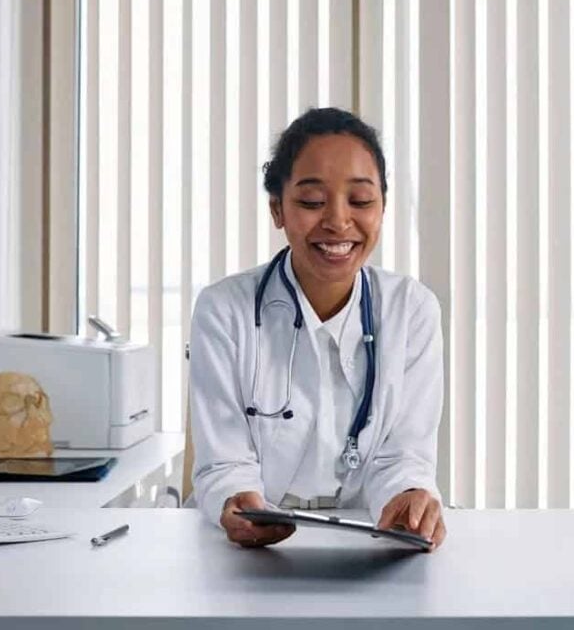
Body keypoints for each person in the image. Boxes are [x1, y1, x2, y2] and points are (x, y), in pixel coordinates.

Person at [189, 107, 447, 550]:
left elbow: (404, 456)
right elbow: (224, 462)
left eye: (361, 201)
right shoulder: (223, 310)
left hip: (370, 547)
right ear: (277, 209)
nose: (338, 221)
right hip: (250, 555)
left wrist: (408, 498)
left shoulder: (412, 309)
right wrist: (238, 501)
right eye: (311, 202)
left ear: (382, 207)